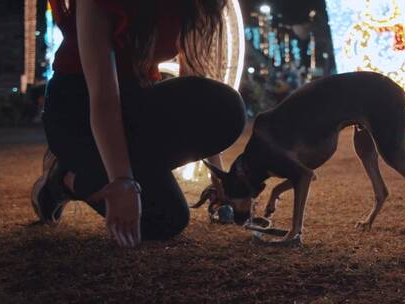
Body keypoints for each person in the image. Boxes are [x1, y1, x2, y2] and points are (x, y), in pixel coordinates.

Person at [31, 0, 246, 248]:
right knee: (165, 220)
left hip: (134, 98)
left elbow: (194, 89)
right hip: (78, 111)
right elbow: (103, 96)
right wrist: (123, 182)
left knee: (226, 108)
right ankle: (63, 179)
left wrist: (217, 179)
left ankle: (102, 173)